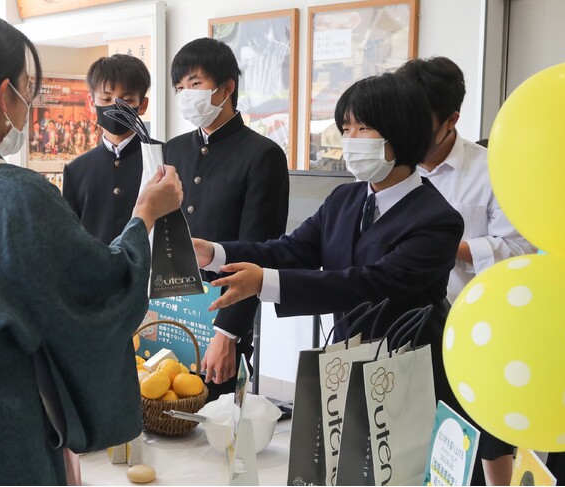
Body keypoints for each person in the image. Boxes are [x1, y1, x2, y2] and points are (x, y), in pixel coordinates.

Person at [0, 7, 182, 485]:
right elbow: (102, 290)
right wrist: (145, 213)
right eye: (25, 86)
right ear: (4, 94)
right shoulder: (14, 195)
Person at [192, 72, 464, 412]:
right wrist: (215, 253)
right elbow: (292, 250)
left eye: (363, 129)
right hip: (347, 368)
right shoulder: (344, 199)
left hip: (408, 376)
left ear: (402, 131)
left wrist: (265, 282)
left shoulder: (437, 219)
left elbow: (372, 284)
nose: (351, 139)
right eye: (346, 129)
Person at [397, 56, 536, 486]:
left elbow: (518, 249)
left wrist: (441, 249)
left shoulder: (492, 169)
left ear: (451, 119)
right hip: (403, 332)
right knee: (406, 448)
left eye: (417, 120)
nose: (404, 131)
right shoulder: (391, 168)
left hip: (474, 331)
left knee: (473, 447)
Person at [165, 37, 289, 399]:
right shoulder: (173, 149)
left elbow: (259, 249)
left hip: (222, 313)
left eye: (195, 84)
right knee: (161, 410)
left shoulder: (262, 155)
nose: (186, 93)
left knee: (212, 425)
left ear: (227, 87)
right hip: (171, 307)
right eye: (180, 87)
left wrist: (228, 333)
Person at [63, 54, 154, 245]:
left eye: (126, 101)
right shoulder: (76, 170)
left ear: (143, 105)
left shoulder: (163, 156)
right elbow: (70, 237)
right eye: (105, 99)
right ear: (91, 102)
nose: (114, 107)